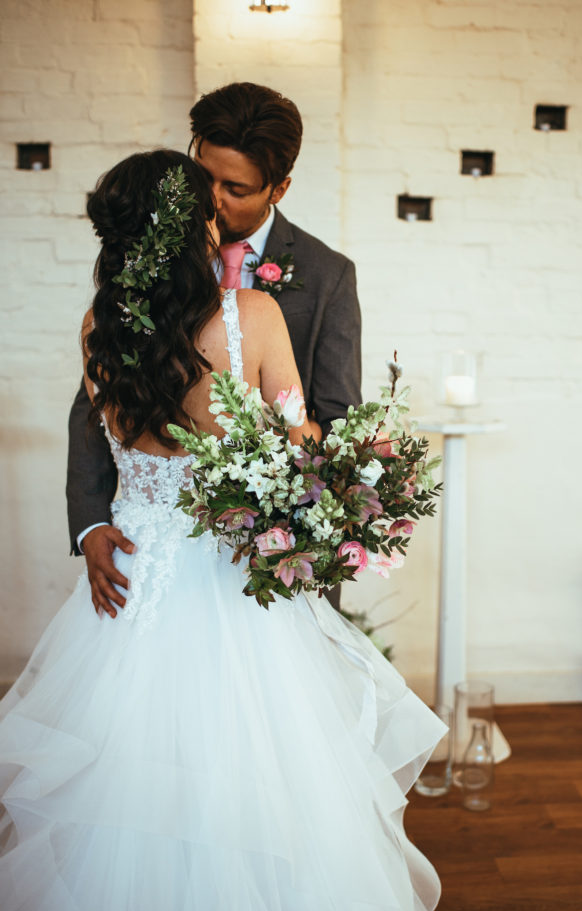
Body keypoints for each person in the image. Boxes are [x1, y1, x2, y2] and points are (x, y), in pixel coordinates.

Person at [0, 148, 468, 911]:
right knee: (268, 788)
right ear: (198, 230)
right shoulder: (251, 316)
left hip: (133, 588)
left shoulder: (104, 326)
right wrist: (354, 479)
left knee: (126, 794)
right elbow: (297, 451)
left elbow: (109, 444)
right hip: (228, 587)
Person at [67, 82, 361, 619]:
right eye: (204, 180)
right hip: (139, 553)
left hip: (262, 565)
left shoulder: (327, 276)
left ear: (279, 188)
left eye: (237, 187)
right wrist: (88, 525)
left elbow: (337, 421)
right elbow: (93, 413)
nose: (216, 201)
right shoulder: (141, 279)